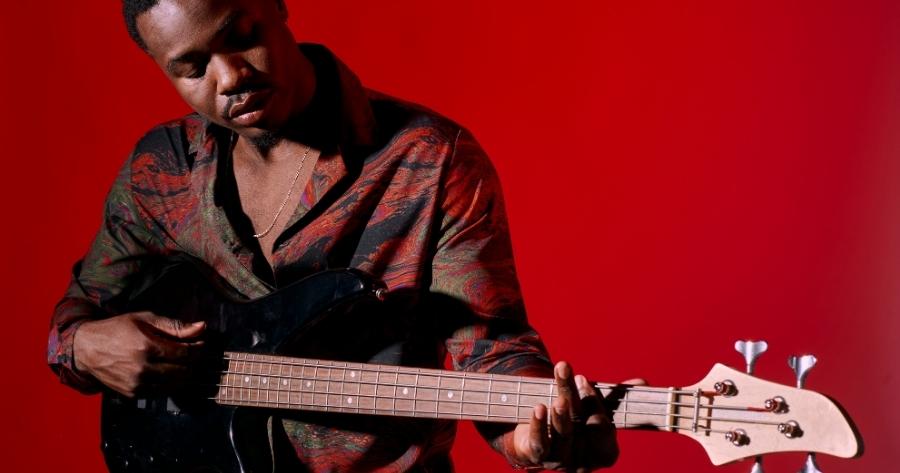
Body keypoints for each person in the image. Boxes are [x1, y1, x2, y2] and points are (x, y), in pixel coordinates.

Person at [47, 0, 625, 470]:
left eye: (243, 36)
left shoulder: (428, 159)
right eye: (192, 69)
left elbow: (489, 343)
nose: (230, 78)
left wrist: (530, 437)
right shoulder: (161, 169)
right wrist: (83, 345)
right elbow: (80, 314)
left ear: (277, 5)